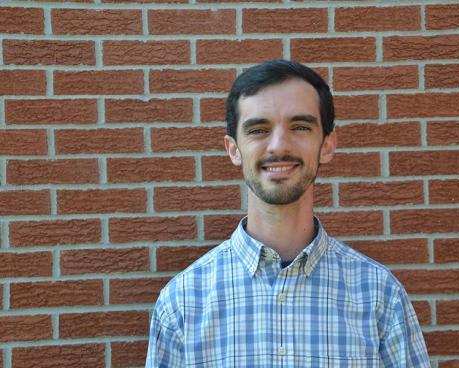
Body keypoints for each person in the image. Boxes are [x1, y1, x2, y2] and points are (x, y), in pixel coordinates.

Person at [146, 59, 430, 367]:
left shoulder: (379, 296)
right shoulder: (183, 303)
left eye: (300, 127)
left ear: (327, 145)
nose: (279, 145)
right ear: (233, 149)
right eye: (258, 129)